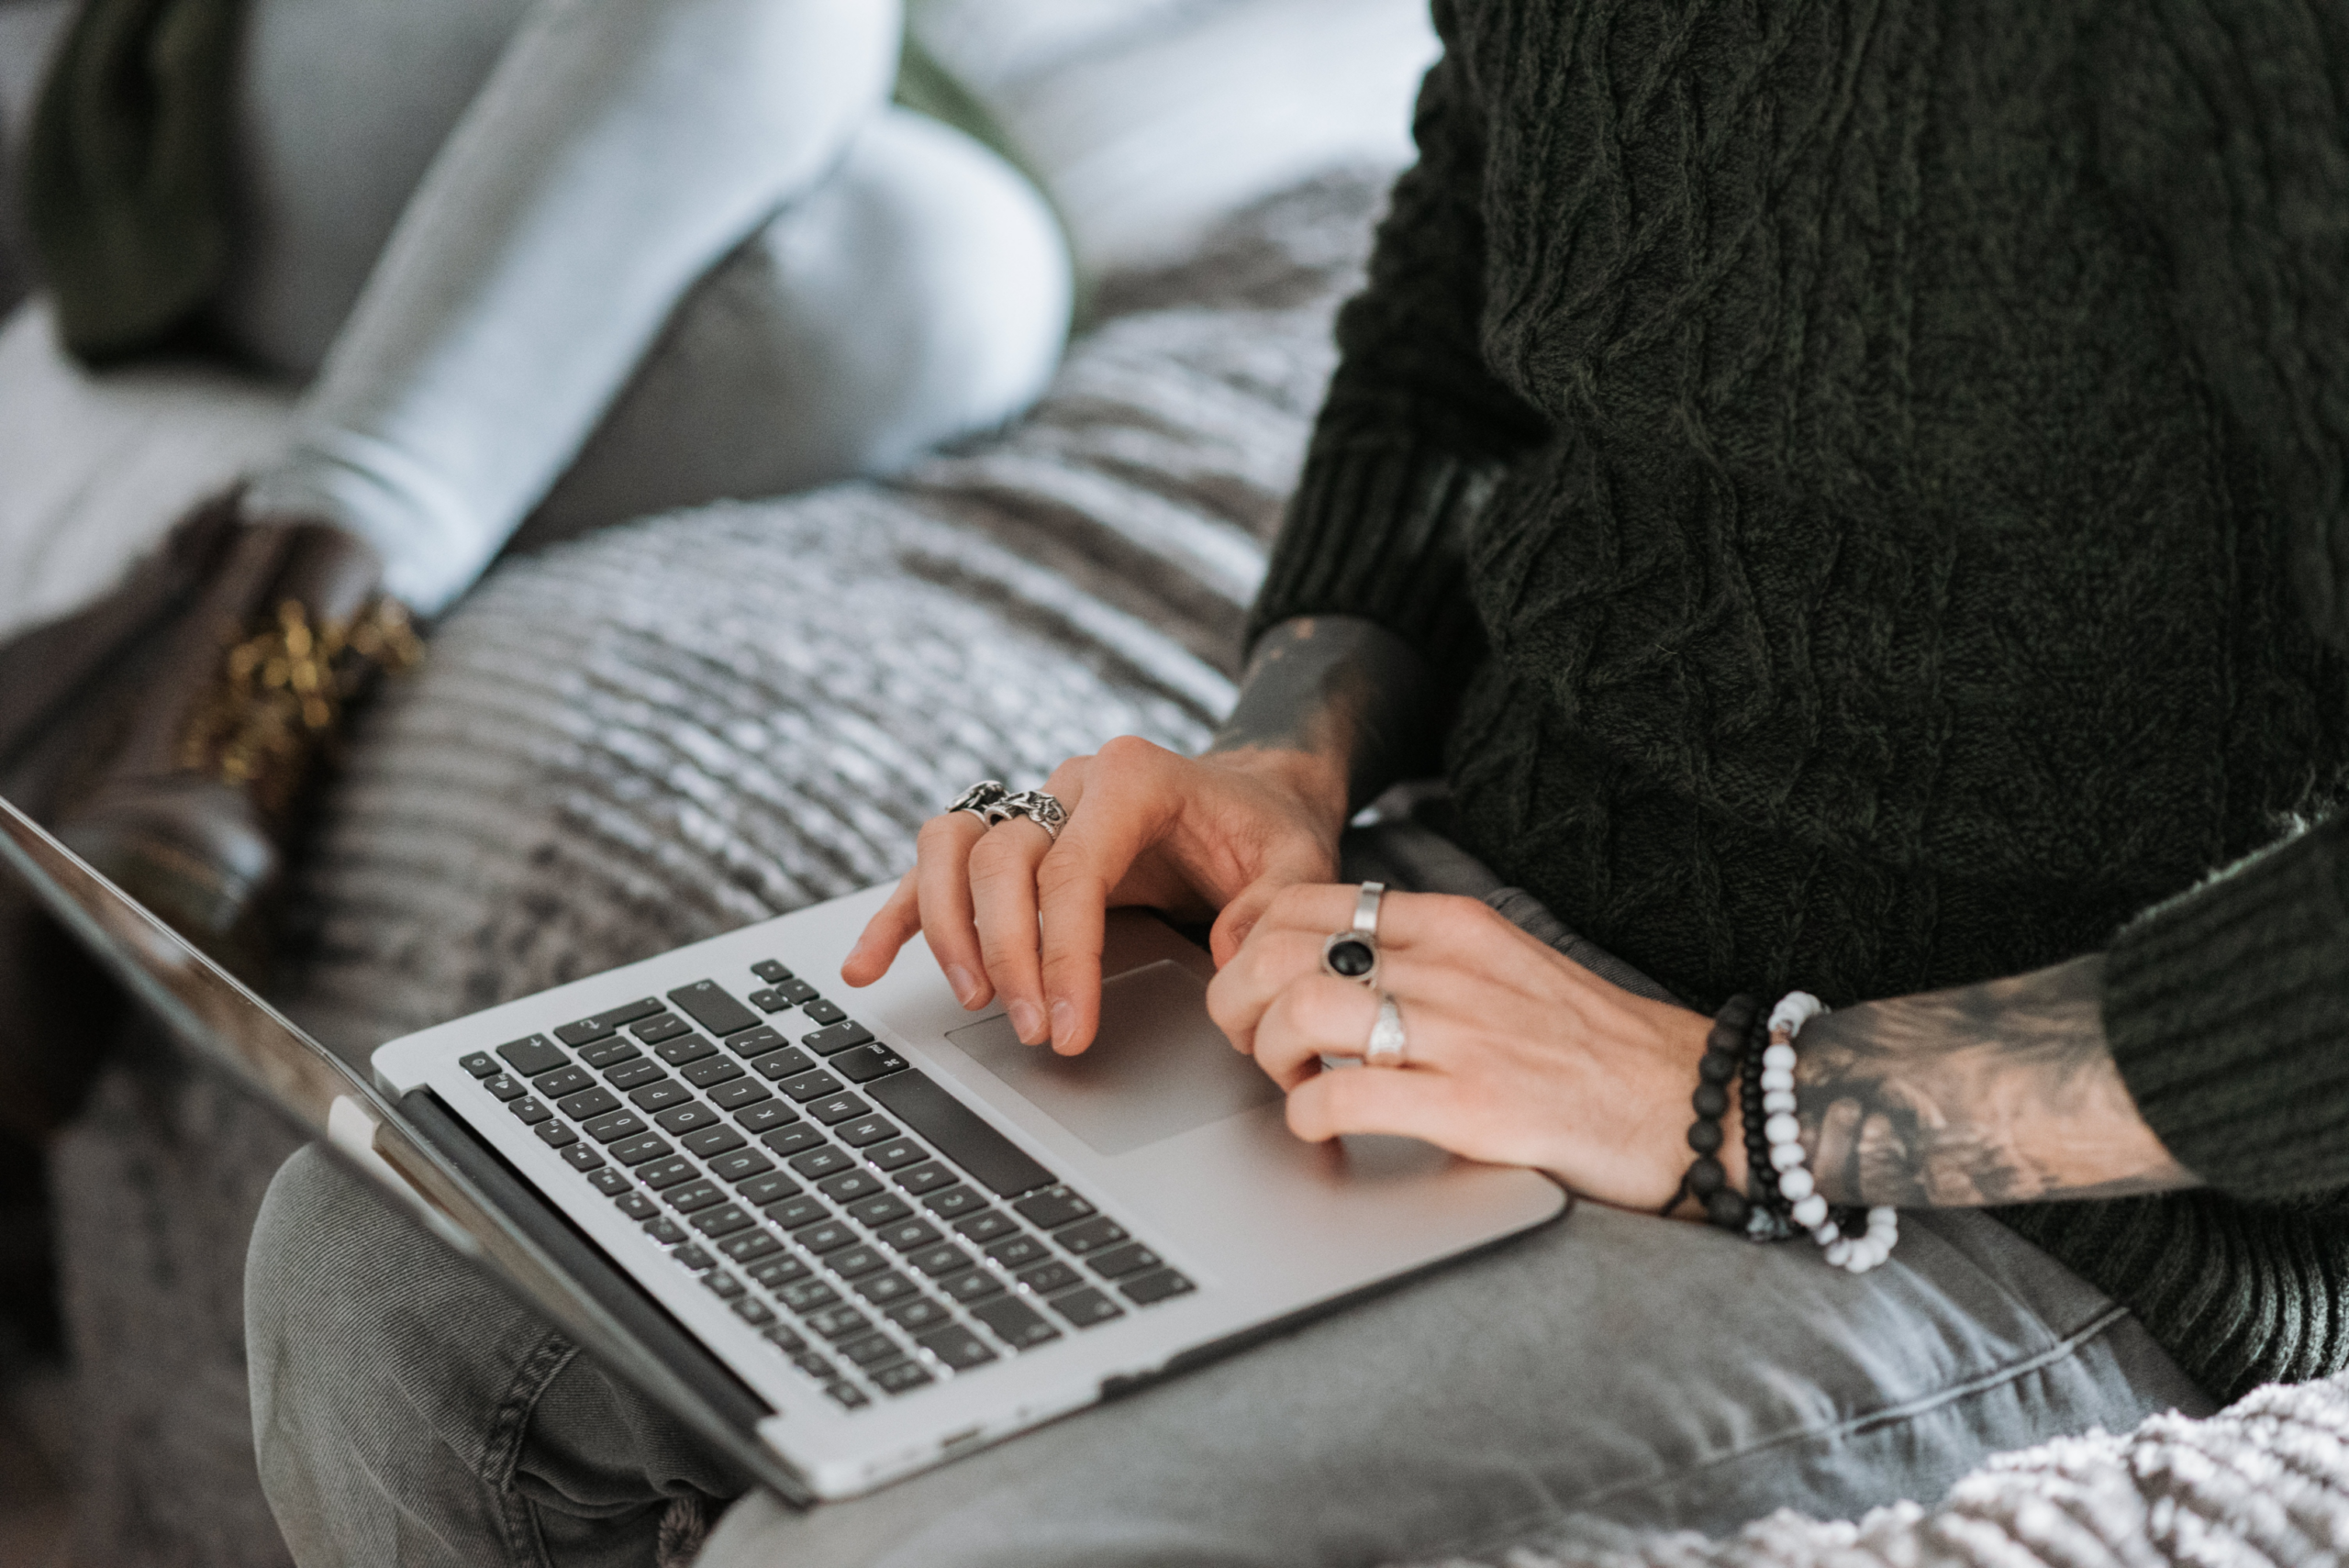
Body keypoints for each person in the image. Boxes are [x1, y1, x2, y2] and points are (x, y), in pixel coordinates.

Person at [249, 1, 2349, 1564]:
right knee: (390, 1269)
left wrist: (1741, 1103)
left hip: (2033, 1185)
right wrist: (1279, 756)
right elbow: (1453, 323)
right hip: (1469, 910)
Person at [0, 0, 1071, 1135]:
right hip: (284, 66)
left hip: (764, 85)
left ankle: (225, 642)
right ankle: (248, 684)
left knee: (950, 273)